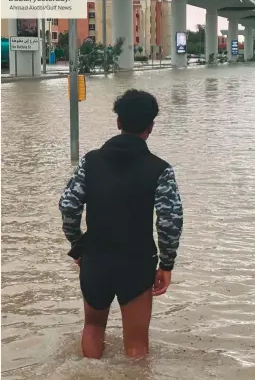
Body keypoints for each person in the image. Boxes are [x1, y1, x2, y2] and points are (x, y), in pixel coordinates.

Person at [58, 89, 183, 359]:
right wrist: (167, 264)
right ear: (151, 126)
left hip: (96, 257)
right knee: (136, 343)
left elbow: (68, 205)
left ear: (118, 123)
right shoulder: (160, 169)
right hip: (137, 261)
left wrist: (78, 244)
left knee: (92, 327)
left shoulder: (90, 162)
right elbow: (170, 221)